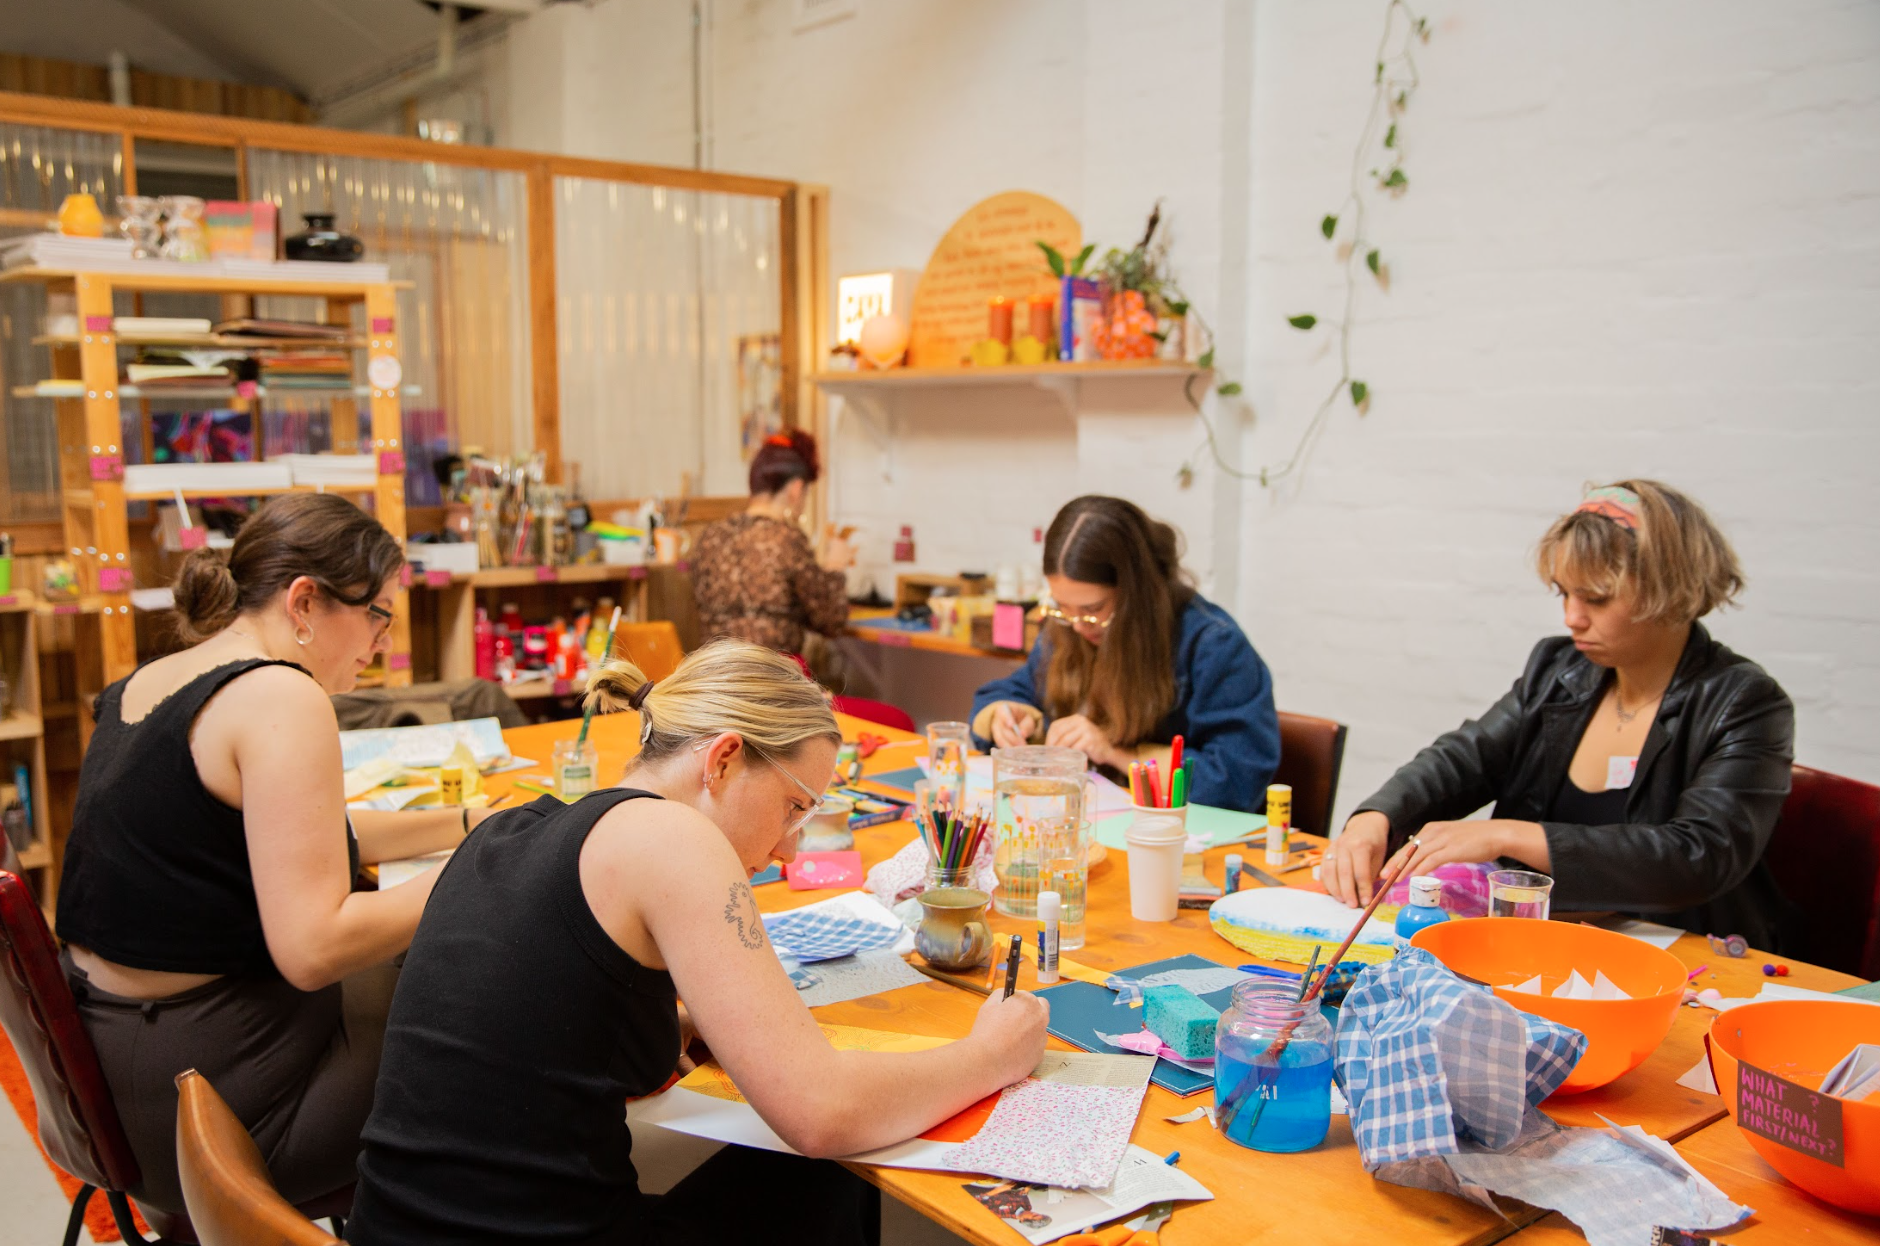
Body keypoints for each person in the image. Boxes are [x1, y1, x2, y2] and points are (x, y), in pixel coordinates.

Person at [348, 640, 1048, 1245]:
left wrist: (667, 1022)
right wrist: (990, 1054)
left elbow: (535, 1025)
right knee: (837, 1165)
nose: (787, 848)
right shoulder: (672, 838)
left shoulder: (518, 827)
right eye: (794, 807)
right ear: (722, 760)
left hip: (398, 1226)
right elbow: (823, 1113)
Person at [55, 493, 490, 1217]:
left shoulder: (157, 681)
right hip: (215, 1117)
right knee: (484, 1007)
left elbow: (301, 830)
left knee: (418, 964)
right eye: (378, 613)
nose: (381, 641)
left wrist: (472, 821)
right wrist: (478, 873)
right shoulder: (281, 696)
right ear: (305, 602)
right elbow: (313, 950)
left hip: (115, 1076)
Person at [1327, 480, 1796, 950]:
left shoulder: (1744, 702)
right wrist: (1377, 817)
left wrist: (1508, 835)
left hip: (1684, 953)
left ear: (1669, 590)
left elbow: (1697, 857)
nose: (1572, 617)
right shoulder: (1558, 669)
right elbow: (1465, 758)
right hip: (1547, 940)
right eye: (1564, 594)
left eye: (1595, 598)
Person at [969, 495, 1279, 812]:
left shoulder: (1212, 644)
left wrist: (1116, 752)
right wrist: (1008, 715)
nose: (1077, 626)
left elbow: (1236, 778)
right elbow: (1016, 688)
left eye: (1093, 609)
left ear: (1136, 592)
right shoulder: (1068, 627)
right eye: (1063, 607)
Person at [691, 429, 853, 656]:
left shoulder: (711, 537)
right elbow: (831, 621)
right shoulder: (787, 539)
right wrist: (836, 565)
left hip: (716, 681)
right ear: (796, 489)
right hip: (771, 685)